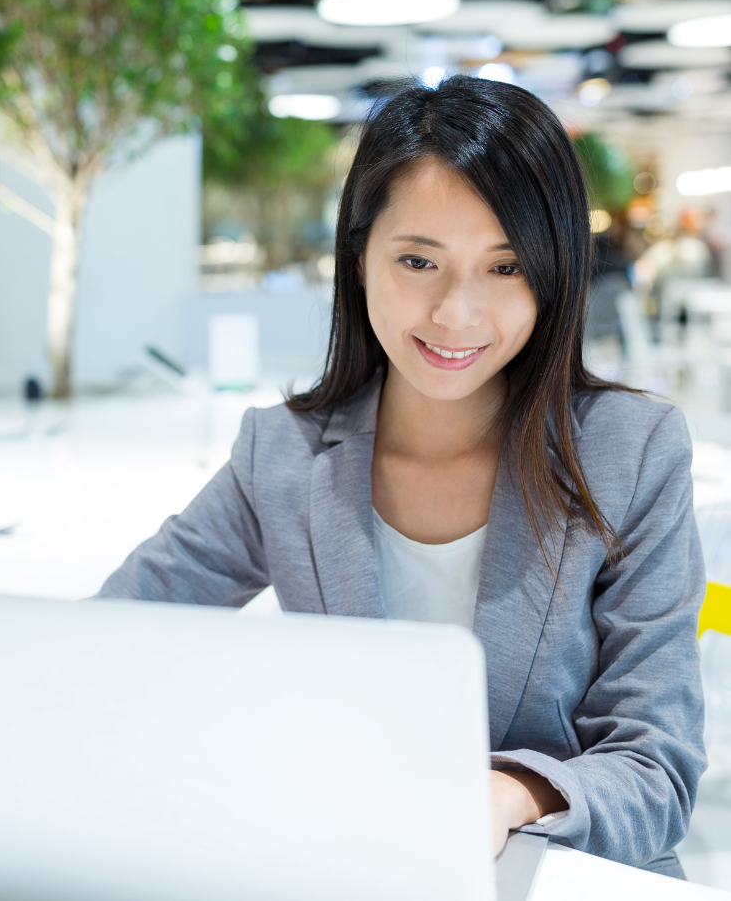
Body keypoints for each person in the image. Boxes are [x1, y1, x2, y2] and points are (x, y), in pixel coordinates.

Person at [98, 76, 705, 878]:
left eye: (506, 268)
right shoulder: (280, 455)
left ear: (555, 275)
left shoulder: (633, 452)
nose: (457, 314)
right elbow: (109, 641)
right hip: (357, 870)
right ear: (358, 260)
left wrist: (512, 794)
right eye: (418, 260)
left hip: (564, 879)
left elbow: (658, 771)